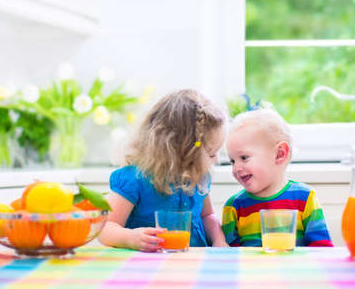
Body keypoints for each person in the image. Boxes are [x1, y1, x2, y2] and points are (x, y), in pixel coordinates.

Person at [99, 89, 228, 251]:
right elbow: (106, 226)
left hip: (194, 261)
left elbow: (207, 215)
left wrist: (218, 240)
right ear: (183, 149)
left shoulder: (199, 176)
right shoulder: (135, 178)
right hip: (147, 265)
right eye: (211, 153)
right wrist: (130, 238)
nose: (215, 160)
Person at [222, 109, 333, 247]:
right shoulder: (233, 207)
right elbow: (229, 258)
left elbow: (322, 249)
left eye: (244, 158)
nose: (236, 168)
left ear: (280, 154)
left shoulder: (305, 198)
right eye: (232, 161)